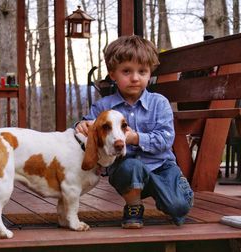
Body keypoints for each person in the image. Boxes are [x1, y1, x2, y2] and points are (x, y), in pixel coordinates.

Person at [75, 35, 194, 229]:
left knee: (178, 208)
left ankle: (175, 191)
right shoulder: (104, 106)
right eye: (127, 71)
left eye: (142, 71)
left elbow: (165, 139)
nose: (135, 78)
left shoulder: (159, 103)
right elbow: (88, 125)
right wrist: (81, 125)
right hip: (125, 168)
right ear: (113, 74)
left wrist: (135, 138)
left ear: (150, 73)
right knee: (131, 166)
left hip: (161, 166)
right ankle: (134, 206)